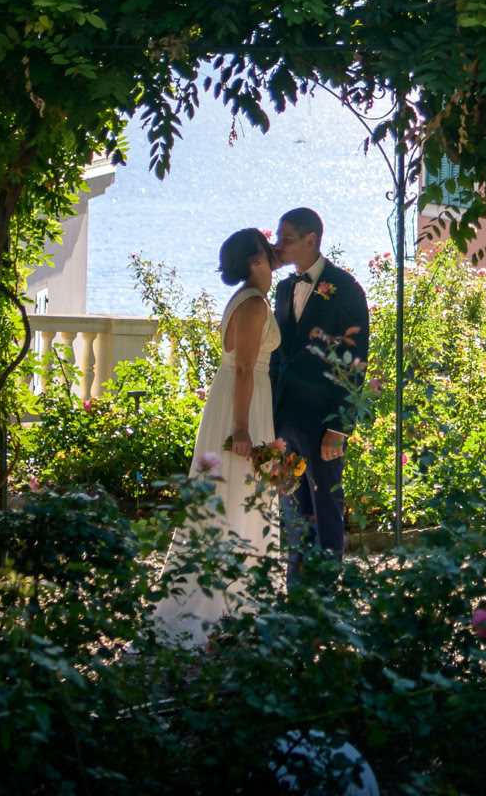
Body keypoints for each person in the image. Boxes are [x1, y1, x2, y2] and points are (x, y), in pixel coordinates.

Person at [149, 227, 284, 646]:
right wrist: (242, 429)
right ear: (254, 260)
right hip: (241, 405)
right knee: (238, 491)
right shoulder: (253, 304)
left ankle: (237, 599)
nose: (276, 251)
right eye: (267, 247)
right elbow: (245, 368)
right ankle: (227, 604)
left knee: (236, 495)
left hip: (241, 398)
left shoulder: (248, 300)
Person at [269, 207, 368, 571]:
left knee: (326, 503)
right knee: (292, 504)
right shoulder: (282, 289)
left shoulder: (345, 289)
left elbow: (356, 362)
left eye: (286, 238)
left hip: (324, 418)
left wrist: (340, 427)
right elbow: (278, 357)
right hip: (284, 417)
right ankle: (298, 586)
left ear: (311, 240)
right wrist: (269, 419)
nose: (278, 246)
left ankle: (326, 587)